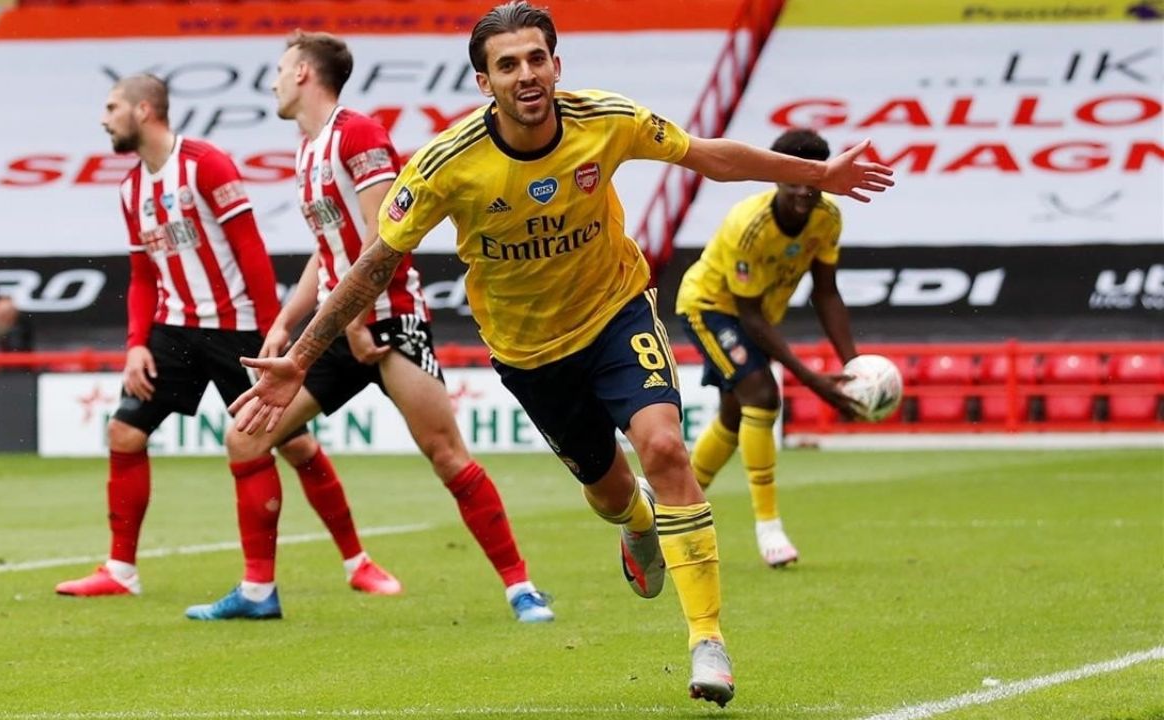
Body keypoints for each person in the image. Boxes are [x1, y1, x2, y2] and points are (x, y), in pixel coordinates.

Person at [228, 3, 893, 706]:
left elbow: (708, 155)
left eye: (536, 58)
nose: (526, 74)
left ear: (556, 64)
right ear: (484, 82)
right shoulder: (445, 165)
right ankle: (637, 524)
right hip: (529, 353)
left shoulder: (604, 118)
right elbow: (375, 262)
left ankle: (708, 639)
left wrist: (815, 176)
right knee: (610, 495)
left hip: (616, 313)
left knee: (665, 447)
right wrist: (301, 356)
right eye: (507, 64)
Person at [203, 30, 553, 625]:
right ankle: (259, 591)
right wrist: (290, 320)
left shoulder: (359, 133)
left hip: (389, 322)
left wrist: (361, 320)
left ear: (306, 74)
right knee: (246, 436)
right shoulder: (307, 148)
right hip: (338, 328)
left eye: (281, 69)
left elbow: (381, 237)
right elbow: (328, 251)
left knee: (445, 454)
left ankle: (521, 589)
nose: (273, 80)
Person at [55, 74, 404, 617]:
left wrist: (274, 334)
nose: (104, 119)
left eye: (111, 107)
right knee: (124, 432)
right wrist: (135, 345)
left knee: (295, 446)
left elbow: (250, 250)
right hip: (174, 332)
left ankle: (356, 561)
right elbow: (143, 274)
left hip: (238, 329)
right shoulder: (130, 189)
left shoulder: (206, 164)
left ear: (144, 110)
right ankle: (121, 571)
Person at [676, 128, 860, 570]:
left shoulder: (828, 218)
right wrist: (810, 378)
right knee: (761, 394)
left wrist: (855, 365)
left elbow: (827, 293)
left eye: (811, 180)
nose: (802, 191)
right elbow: (750, 315)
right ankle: (769, 526)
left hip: (755, 316)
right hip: (710, 308)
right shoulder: (749, 225)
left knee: (734, 415)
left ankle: (675, 506)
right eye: (792, 179)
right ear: (776, 178)